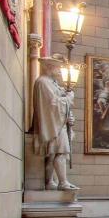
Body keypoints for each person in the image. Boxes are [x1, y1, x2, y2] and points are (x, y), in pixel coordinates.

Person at [31, 57, 78, 190]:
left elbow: (58, 104)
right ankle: (62, 182)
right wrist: (69, 98)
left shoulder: (52, 83)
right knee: (59, 153)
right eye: (58, 67)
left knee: (53, 154)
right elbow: (52, 104)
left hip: (57, 124)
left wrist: (68, 117)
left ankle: (51, 182)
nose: (59, 71)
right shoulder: (43, 82)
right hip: (53, 125)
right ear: (49, 67)